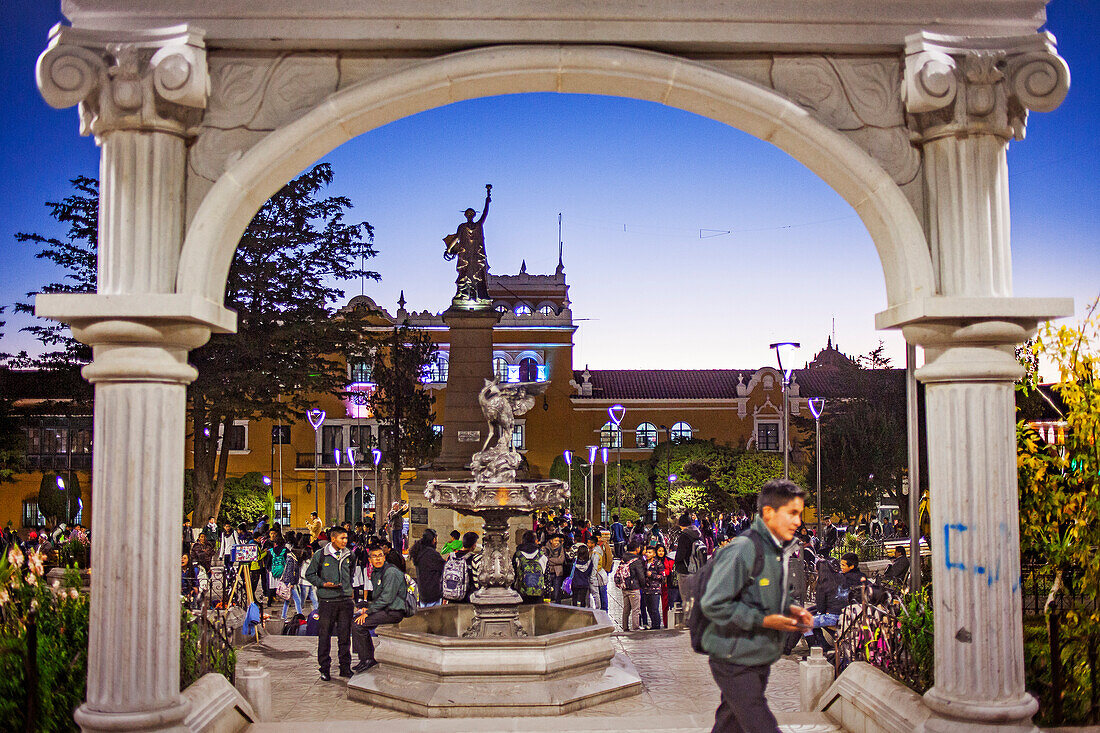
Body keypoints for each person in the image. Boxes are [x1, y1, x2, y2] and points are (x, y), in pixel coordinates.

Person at [700, 479, 812, 733]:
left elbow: (769, 595)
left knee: (730, 724)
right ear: (769, 513)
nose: (798, 522)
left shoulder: (773, 551)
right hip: (733, 657)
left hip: (756, 655)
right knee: (761, 725)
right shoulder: (743, 549)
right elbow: (713, 603)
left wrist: (790, 608)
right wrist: (763, 620)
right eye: (792, 514)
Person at [304, 525, 354, 680]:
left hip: (345, 601)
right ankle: (324, 668)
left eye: (346, 538)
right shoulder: (321, 556)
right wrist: (322, 584)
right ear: (333, 539)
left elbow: (350, 573)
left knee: (345, 636)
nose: (345, 541)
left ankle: (345, 667)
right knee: (324, 635)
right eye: (342, 538)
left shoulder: (349, 555)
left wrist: (347, 588)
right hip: (327, 601)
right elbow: (309, 574)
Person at [351, 546, 406, 673]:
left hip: (394, 611)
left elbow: (387, 598)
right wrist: (367, 607)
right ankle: (364, 658)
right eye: (374, 556)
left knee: (358, 624)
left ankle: (368, 659)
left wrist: (369, 612)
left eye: (380, 555)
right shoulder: (377, 572)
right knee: (355, 619)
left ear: (384, 557)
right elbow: (378, 597)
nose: (378, 559)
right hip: (385, 609)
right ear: (369, 559)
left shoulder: (391, 572)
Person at [614, 539, 646, 631]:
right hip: (634, 587)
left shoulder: (624, 558)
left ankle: (625, 627)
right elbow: (641, 576)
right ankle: (636, 627)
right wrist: (642, 585)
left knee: (626, 609)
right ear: (637, 549)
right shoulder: (636, 560)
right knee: (636, 609)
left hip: (624, 587)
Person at [409, 529, 444, 607]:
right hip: (433, 594)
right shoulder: (432, 554)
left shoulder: (419, 552)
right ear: (434, 539)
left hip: (422, 593)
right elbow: (443, 567)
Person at [674, 512, 703, 605]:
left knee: (686, 599)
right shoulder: (698, 534)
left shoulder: (684, 536)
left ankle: (689, 618)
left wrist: (676, 563)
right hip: (697, 569)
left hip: (684, 571)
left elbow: (680, 555)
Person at [513, 530, 546, 604]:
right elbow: (546, 575)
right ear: (536, 540)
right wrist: (548, 594)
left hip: (522, 592)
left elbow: (513, 574)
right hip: (539, 593)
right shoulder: (542, 555)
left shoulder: (518, 555)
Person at [641, 546, 665, 629]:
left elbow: (662, 577)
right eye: (647, 552)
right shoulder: (644, 563)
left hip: (655, 590)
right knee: (649, 609)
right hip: (646, 590)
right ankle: (653, 625)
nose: (648, 554)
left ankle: (656, 626)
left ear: (654, 554)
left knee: (654, 609)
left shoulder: (658, 564)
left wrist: (652, 575)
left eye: (650, 552)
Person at [588, 532, 611, 612]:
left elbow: (609, 558)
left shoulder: (598, 550)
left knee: (601, 594)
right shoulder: (596, 549)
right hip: (600, 573)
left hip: (600, 575)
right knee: (599, 594)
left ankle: (603, 611)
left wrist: (606, 570)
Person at [543, 533, 566, 603]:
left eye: (558, 541)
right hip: (548, 572)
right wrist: (555, 561)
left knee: (557, 592)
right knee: (547, 592)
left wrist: (550, 559)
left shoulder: (561, 548)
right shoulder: (545, 548)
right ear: (551, 541)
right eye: (555, 540)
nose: (557, 542)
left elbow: (561, 560)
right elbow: (545, 560)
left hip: (558, 573)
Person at [657, 544, 676, 626]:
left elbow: (668, 570)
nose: (661, 552)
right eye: (659, 551)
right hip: (655, 586)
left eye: (662, 551)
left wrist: (663, 573)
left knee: (666, 605)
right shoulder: (654, 560)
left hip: (666, 585)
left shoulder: (667, 560)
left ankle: (667, 623)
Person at [569, 543, 592, 607]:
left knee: (574, 598)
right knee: (583, 599)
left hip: (575, 583)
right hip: (584, 583)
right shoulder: (589, 563)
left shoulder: (574, 561)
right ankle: (582, 611)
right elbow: (589, 573)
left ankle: (574, 610)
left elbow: (571, 570)